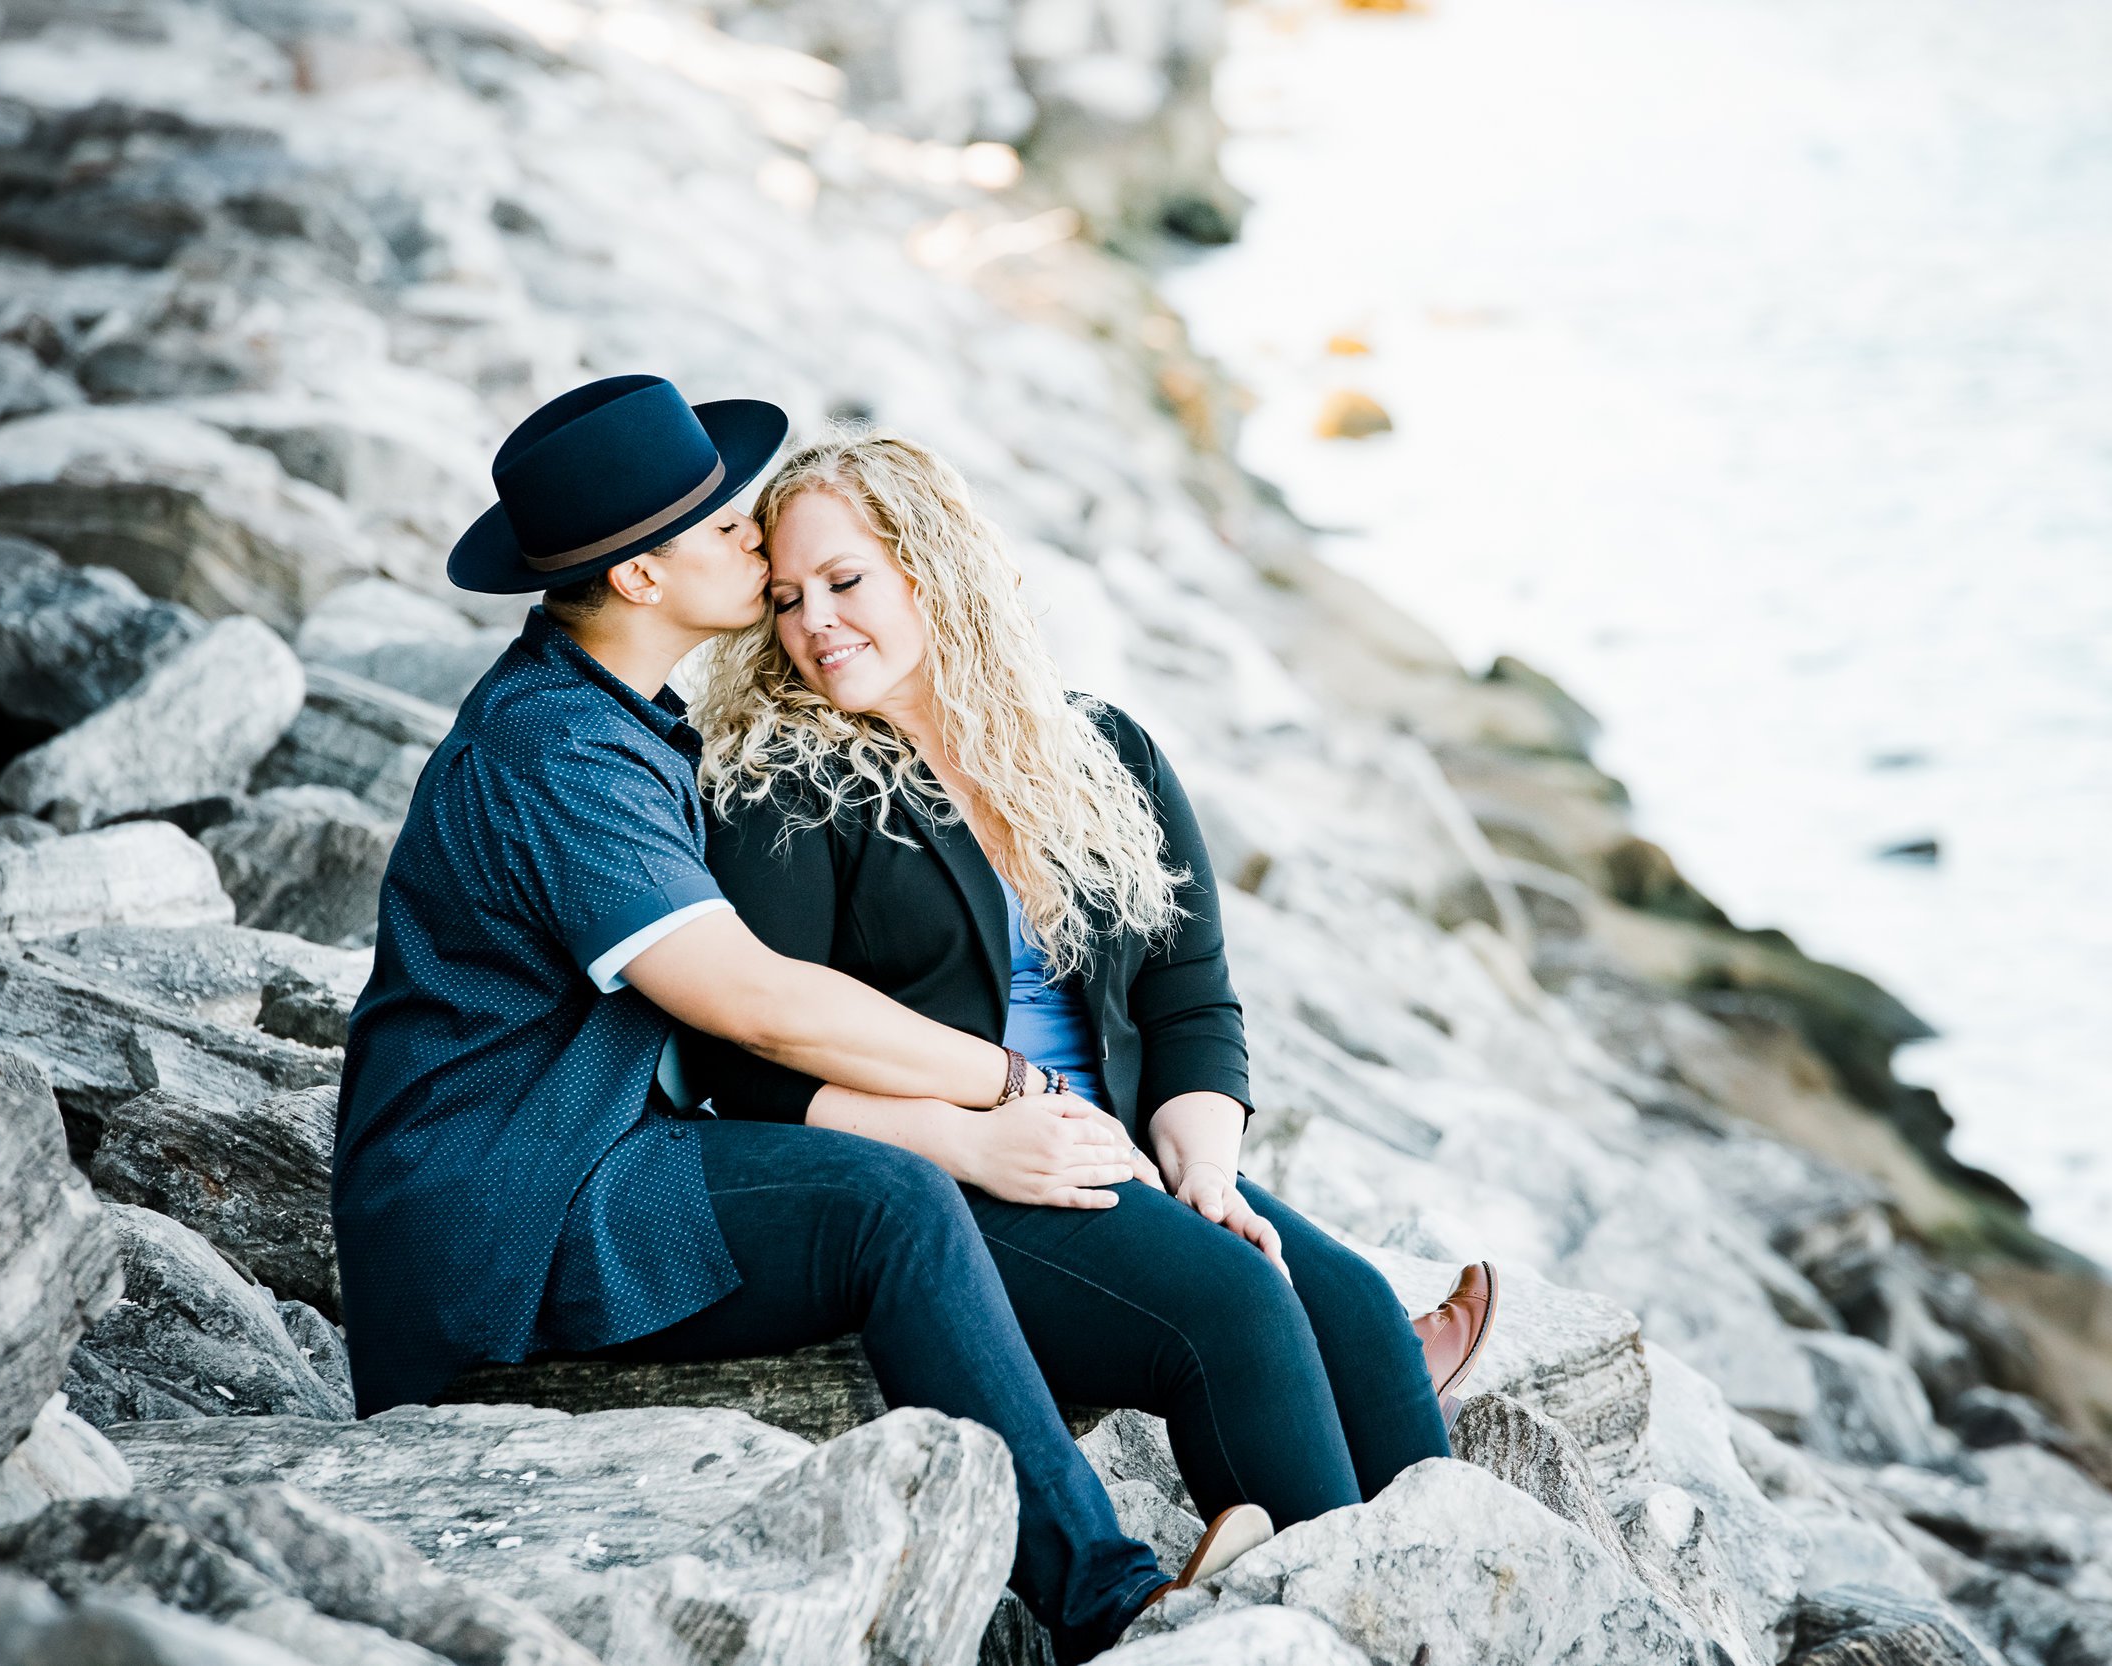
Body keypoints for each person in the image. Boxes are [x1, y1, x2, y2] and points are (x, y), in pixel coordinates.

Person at [336, 375, 1207, 1661]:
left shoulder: (617, 712)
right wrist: (1009, 1086)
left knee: (888, 1187)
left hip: (592, 1143)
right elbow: (750, 1000)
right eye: (728, 529)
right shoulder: (555, 752)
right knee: (886, 1201)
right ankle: (1108, 1600)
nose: (758, 543)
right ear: (641, 579)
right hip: (507, 1193)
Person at [676, 432, 1499, 1552]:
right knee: (1239, 1310)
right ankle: (1310, 1618)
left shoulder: (1098, 747)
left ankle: (1431, 1597)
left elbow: (1192, 999)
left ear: (933, 568)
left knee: (1352, 1308)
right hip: (953, 1177)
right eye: (784, 597)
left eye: (845, 579)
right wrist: (959, 1142)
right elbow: (743, 1065)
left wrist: (1203, 1167)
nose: (813, 619)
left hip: (1123, 1152)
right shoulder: (790, 779)